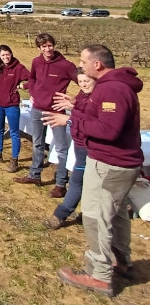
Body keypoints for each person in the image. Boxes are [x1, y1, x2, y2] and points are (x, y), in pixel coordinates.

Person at [43, 45, 143, 297]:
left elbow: (109, 130)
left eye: (83, 61)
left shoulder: (112, 89)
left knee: (94, 215)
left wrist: (71, 120)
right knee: (117, 212)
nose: (81, 65)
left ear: (97, 64)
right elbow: (98, 116)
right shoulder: (110, 86)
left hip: (110, 164)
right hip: (119, 163)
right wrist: (75, 106)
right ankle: (122, 260)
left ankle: (99, 275)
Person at [16, 33, 77, 198]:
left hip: (56, 112)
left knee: (61, 148)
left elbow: (85, 82)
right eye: (44, 46)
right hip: (37, 109)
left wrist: (74, 100)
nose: (48, 49)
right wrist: (33, 92)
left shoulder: (66, 65)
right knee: (37, 143)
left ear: (54, 45)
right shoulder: (37, 62)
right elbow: (32, 78)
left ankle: (60, 185)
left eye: (50, 45)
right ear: (39, 48)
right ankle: (34, 175)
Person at [43, 69, 96, 230]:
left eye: (86, 80)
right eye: (80, 82)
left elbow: (96, 122)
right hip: (81, 147)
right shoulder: (83, 94)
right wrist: (74, 104)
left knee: (89, 184)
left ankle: (63, 215)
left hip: (94, 149)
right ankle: (67, 214)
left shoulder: (102, 97)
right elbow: (83, 113)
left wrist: (69, 119)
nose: (83, 84)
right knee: (77, 180)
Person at [0, 45, 30, 173]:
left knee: (14, 132)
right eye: (3, 55)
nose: (6, 57)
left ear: (11, 53)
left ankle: (14, 160)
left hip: (11, 105)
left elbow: (33, 79)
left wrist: (22, 86)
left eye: (7, 54)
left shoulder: (18, 68)